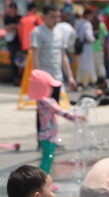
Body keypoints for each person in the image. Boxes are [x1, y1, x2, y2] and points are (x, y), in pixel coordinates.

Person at [31, 5, 77, 149]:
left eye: (58, 16)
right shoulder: (37, 32)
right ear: (44, 16)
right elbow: (35, 55)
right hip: (43, 80)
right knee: (42, 112)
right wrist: (38, 77)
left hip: (56, 78)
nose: (56, 20)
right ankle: (41, 141)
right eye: (52, 16)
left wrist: (70, 76)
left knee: (54, 110)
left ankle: (52, 139)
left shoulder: (60, 32)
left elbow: (63, 56)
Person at [29, 69, 86, 178]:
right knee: (47, 159)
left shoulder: (43, 101)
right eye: (49, 86)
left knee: (48, 158)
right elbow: (61, 112)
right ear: (43, 87)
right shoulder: (46, 101)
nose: (52, 89)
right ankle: (42, 181)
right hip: (47, 136)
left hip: (48, 135)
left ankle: (44, 181)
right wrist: (76, 117)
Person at [75, 9, 96, 88]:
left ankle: (78, 81)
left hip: (79, 46)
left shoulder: (79, 22)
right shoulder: (87, 24)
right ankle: (85, 83)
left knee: (81, 65)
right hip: (86, 46)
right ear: (88, 15)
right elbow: (89, 37)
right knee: (87, 65)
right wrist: (94, 39)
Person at [4, 2, 22, 85]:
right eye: (11, 8)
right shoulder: (7, 18)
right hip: (11, 42)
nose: (13, 10)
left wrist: (14, 27)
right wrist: (15, 26)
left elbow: (20, 27)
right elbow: (7, 28)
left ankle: (20, 77)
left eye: (14, 8)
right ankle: (15, 78)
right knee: (13, 60)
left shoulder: (19, 17)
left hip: (19, 41)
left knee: (20, 60)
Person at [92, 15, 109, 80]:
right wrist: (105, 46)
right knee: (100, 65)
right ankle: (101, 79)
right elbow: (105, 36)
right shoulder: (102, 24)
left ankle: (97, 79)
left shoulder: (92, 24)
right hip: (99, 48)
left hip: (94, 48)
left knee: (95, 65)